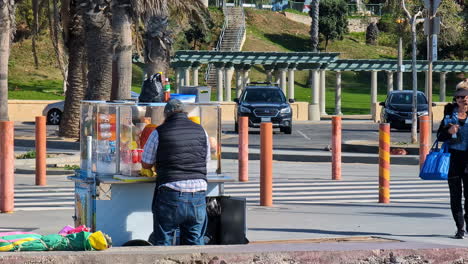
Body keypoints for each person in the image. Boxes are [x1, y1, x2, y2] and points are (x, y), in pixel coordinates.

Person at [141, 99, 210, 245]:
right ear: (184, 113)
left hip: (171, 193)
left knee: (164, 241)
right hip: (198, 194)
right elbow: (206, 159)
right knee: (195, 242)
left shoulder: (159, 132)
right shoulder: (201, 130)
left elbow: (146, 163)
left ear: (166, 115)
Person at [437, 82, 468, 239]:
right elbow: (439, 137)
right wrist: (448, 131)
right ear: (455, 99)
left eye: (467, 96)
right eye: (461, 97)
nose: (464, 99)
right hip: (454, 159)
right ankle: (460, 228)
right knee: (455, 195)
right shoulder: (450, 115)